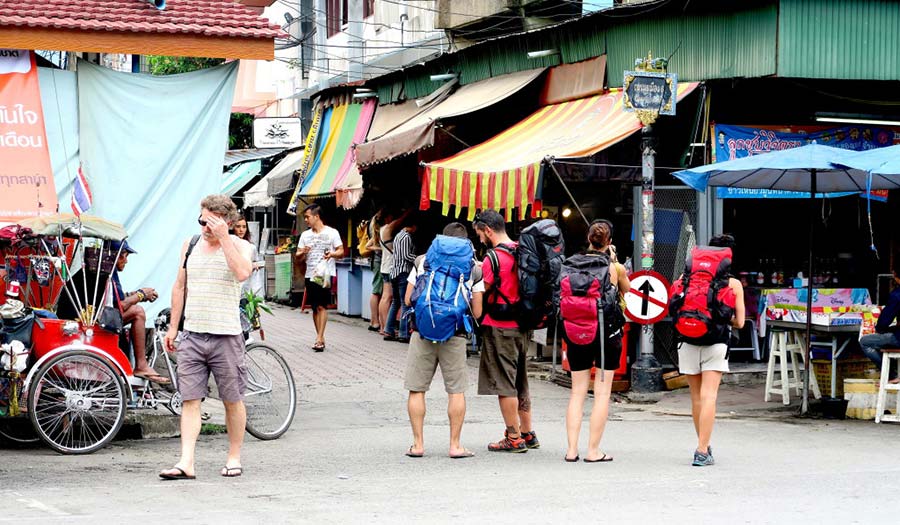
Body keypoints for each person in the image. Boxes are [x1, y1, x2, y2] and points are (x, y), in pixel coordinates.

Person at [159, 194, 253, 480]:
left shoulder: (241, 246)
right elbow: (179, 286)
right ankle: (186, 461)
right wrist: (174, 327)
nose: (204, 227)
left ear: (226, 221)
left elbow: (241, 273)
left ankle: (234, 456)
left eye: (210, 221)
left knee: (232, 398)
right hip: (193, 333)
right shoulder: (190, 245)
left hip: (226, 335)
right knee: (190, 398)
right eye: (202, 220)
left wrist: (225, 238)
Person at [402, 222, 479, 459]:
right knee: (456, 391)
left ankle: (417, 445)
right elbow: (476, 312)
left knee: (417, 389)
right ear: (466, 242)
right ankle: (455, 445)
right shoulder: (474, 268)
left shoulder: (424, 261)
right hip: (454, 335)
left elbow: (407, 300)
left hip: (422, 332)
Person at [563, 220, 630, 463]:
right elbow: (627, 291)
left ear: (588, 239)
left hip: (576, 332)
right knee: (601, 394)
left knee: (577, 392)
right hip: (606, 335)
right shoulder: (615, 268)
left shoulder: (570, 263)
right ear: (609, 242)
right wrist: (614, 261)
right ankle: (593, 451)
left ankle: (571, 450)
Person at [472, 210, 538, 453]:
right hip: (523, 326)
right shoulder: (523, 250)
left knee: (505, 384)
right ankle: (527, 432)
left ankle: (513, 436)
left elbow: (484, 289)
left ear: (488, 230)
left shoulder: (493, 258)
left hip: (500, 327)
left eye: (479, 234)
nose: (480, 239)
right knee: (521, 381)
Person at [677, 234, 744, 467]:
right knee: (709, 397)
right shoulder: (733, 284)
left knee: (696, 397)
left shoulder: (687, 277)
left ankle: (702, 445)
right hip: (716, 343)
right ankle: (702, 450)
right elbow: (741, 323)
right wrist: (723, 316)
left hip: (687, 339)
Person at [109, 240, 168, 384]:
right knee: (138, 312)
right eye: (124, 256)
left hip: (99, 317)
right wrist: (140, 295)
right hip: (96, 323)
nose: (126, 261)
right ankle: (141, 365)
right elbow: (120, 306)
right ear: (116, 256)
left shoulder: (110, 272)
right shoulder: (106, 272)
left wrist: (137, 294)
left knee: (136, 308)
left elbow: (117, 298)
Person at [295, 203, 344, 352]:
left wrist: (332, 254)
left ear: (317, 217)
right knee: (315, 307)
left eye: (308, 217)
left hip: (325, 275)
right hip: (311, 274)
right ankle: (320, 336)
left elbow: (341, 251)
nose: (306, 220)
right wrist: (303, 251)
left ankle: (319, 338)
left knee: (322, 305)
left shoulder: (332, 233)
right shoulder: (305, 235)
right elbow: (297, 256)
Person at [859, 269, 900, 384]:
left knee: (865, 341)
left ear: (896, 276)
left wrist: (880, 329)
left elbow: (885, 320)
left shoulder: (897, 295)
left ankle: (892, 375)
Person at [384, 216, 416, 343]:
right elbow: (407, 256)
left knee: (395, 302)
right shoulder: (407, 237)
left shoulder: (397, 235)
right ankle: (403, 333)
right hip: (403, 272)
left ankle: (388, 330)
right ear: (412, 226)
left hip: (393, 272)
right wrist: (419, 258)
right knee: (404, 303)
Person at [232, 216, 265, 295]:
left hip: (248, 284)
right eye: (238, 226)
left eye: (244, 227)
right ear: (233, 228)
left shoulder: (251, 247)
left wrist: (254, 265)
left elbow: (256, 262)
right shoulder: (229, 246)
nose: (241, 230)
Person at [365, 214, 383, 332]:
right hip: (379, 262)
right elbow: (367, 246)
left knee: (377, 290)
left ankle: (374, 320)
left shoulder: (377, 232)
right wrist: (381, 249)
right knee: (377, 290)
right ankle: (375, 321)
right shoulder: (381, 232)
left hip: (377, 262)